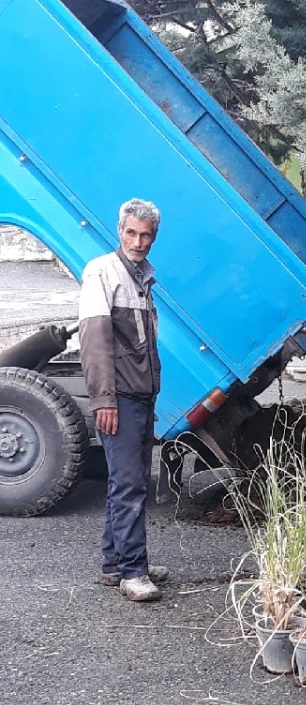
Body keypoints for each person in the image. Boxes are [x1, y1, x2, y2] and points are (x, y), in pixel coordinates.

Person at [79, 199, 168, 602]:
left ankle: (115, 564)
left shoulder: (142, 277)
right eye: (131, 233)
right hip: (121, 398)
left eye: (146, 234)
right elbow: (95, 343)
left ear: (154, 236)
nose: (139, 241)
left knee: (124, 482)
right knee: (131, 485)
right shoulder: (102, 271)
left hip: (141, 396)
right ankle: (134, 572)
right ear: (120, 231)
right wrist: (104, 401)